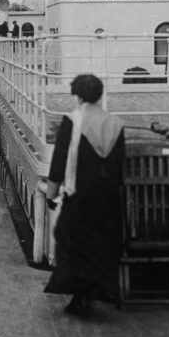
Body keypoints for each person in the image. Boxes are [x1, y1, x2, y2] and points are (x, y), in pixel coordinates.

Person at [43, 74, 125, 315]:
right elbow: (119, 163)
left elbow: (59, 161)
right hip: (107, 196)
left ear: (78, 96)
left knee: (68, 236)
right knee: (99, 242)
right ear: (99, 95)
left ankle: (79, 293)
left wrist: (51, 192)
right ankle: (98, 289)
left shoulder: (72, 121)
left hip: (79, 193)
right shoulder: (114, 123)